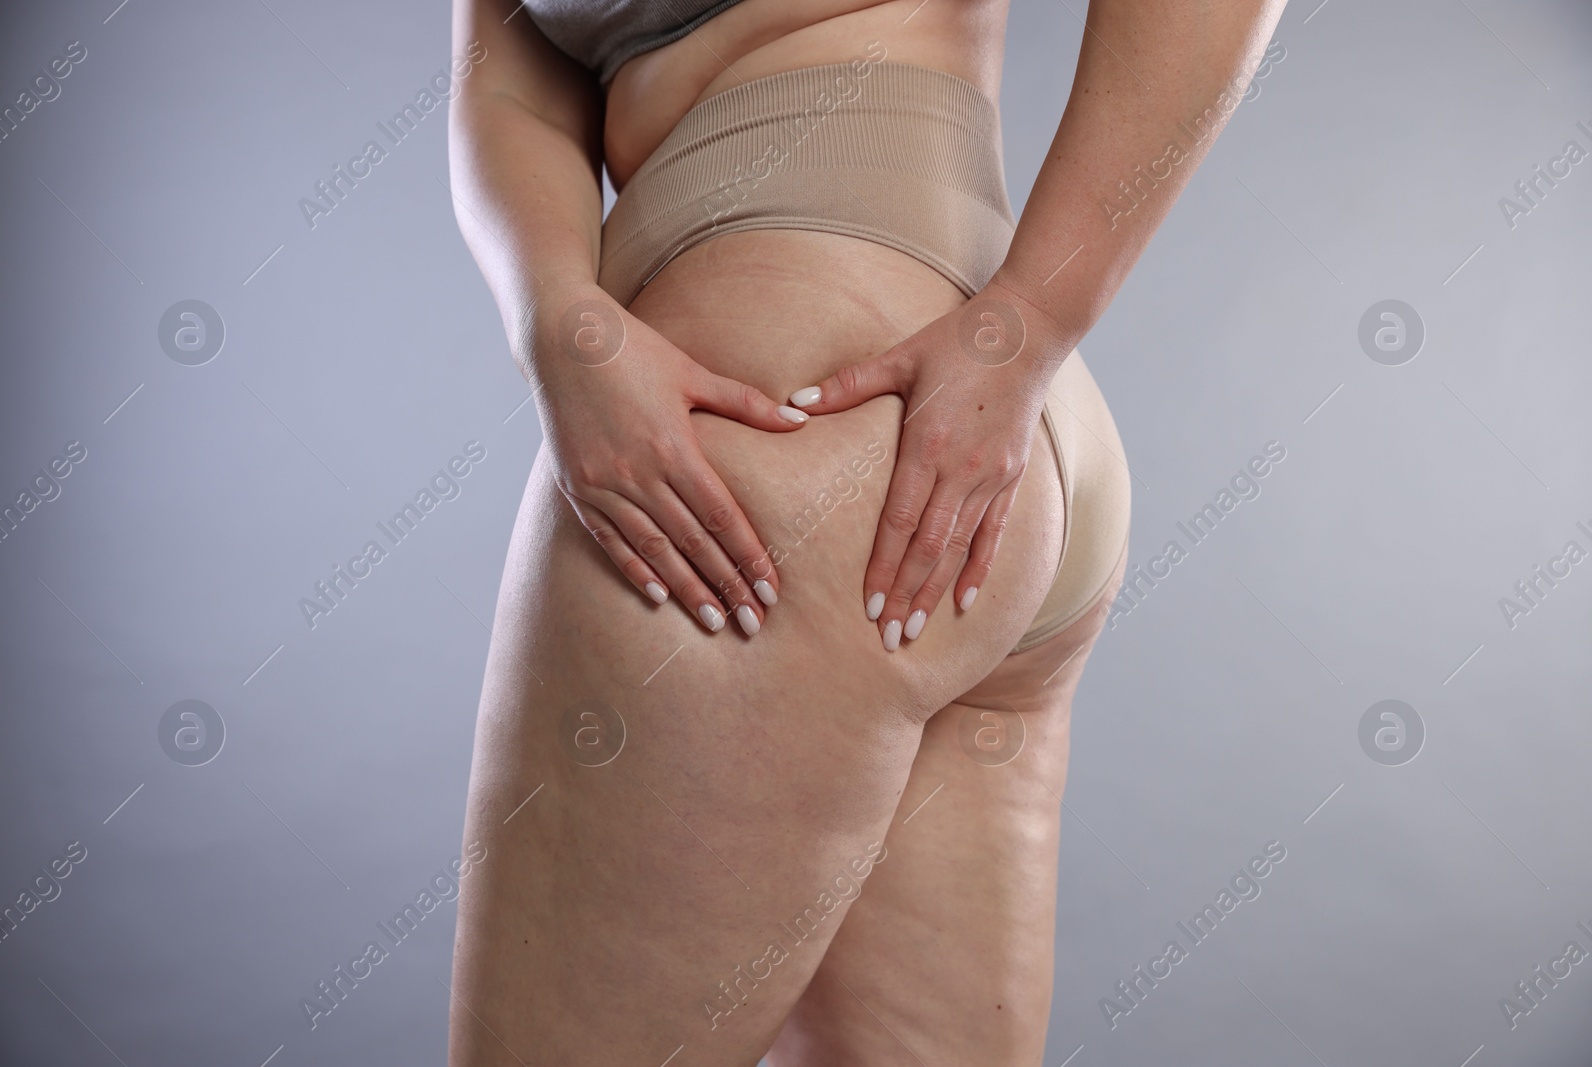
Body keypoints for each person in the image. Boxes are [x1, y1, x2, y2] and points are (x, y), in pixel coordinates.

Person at [444, 0, 1284, 1063]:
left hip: (785, 433)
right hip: (929, 439)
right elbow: (505, 78)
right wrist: (555, 318)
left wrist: (1030, 319)